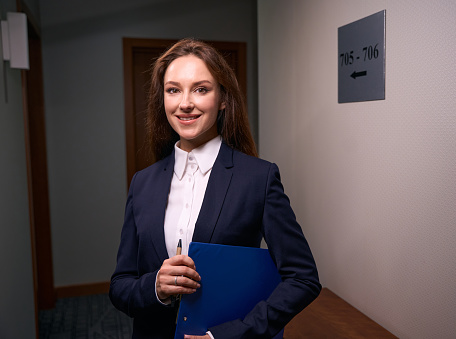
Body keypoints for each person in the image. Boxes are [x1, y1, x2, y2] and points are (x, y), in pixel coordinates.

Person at [109, 38, 321, 339]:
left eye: (201, 89)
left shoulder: (258, 178)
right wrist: (156, 286)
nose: (185, 103)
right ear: (162, 100)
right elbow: (120, 286)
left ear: (222, 98)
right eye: (173, 90)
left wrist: (233, 334)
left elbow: (303, 279)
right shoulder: (142, 182)